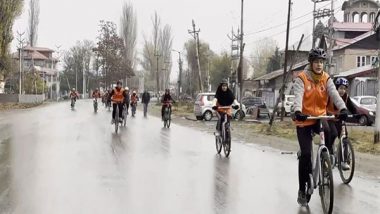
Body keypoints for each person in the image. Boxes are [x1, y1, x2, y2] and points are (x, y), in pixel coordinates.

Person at [293, 48, 349, 206]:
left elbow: (334, 95)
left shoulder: (326, 78)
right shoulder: (302, 78)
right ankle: (302, 190)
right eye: (316, 62)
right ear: (311, 63)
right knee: (305, 154)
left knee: (332, 131)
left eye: (321, 62)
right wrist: (298, 111)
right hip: (304, 119)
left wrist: (343, 108)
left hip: (319, 117)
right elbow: (298, 96)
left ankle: (326, 158)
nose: (319, 65)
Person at [327, 77, 357, 170]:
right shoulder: (331, 96)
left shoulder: (346, 97)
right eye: (340, 88)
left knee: (344, 137)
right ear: (336, 88)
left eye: (344, 88)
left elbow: (352, 108)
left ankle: (344, 161)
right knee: (334, 133)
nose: (342, 91)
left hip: (340, 120)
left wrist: (357, 115)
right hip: (330, 119)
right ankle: (329, 151)